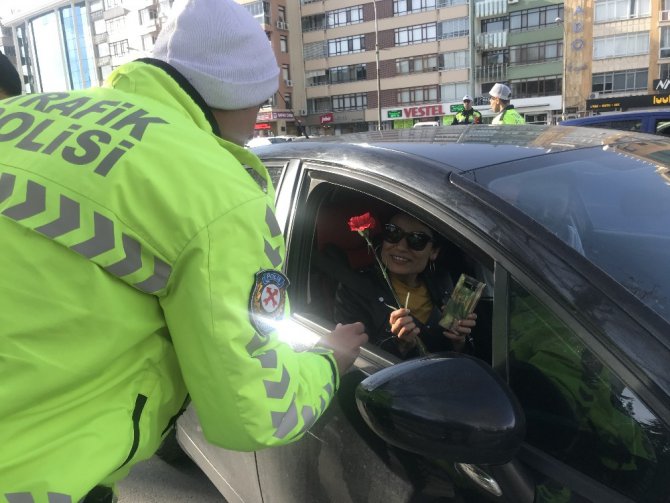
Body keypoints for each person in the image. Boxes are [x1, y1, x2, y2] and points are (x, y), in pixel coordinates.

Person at [0, 0, 367, 501]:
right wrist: (327, 363)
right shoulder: (218, 191)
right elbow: (256, 411)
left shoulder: (18, 116)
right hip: (32, 478)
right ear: (243, 96)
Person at [334, 212, 476, 359]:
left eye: (416, 240)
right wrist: (400, 346)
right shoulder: (354, 288)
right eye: (393, 233)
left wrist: (459, 342)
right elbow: (359, 362)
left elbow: (463, 356)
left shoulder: (444, 281)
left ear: (434, 251)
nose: (401, 247)